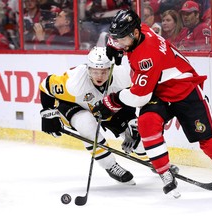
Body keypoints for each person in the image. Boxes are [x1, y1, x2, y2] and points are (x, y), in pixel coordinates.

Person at [92, 9, 212, 198]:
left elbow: (139, 97)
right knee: (147, 123)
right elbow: (125, 42)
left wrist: (112, 101)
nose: (119, 41)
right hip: (159, 92)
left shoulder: (148, 57)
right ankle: (165, 173)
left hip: (184, 91)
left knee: (210, 142)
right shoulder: (142, 30)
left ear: (135, 34)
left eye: (122, 39)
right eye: (117, 38)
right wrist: (115, 45)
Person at [39, 46, 146, 184]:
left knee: (138, 141)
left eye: (103, 72)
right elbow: (45, 86)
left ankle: (156, 164)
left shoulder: (122, 78)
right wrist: (48, 114)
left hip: (105, 107)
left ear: (111, 69)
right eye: (95, 72)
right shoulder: (74, 83)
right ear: (88, 69)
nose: (99, 76)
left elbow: (128, 101)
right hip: (74, 106)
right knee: (86, 123)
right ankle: (110, 165)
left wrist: (131, 122)